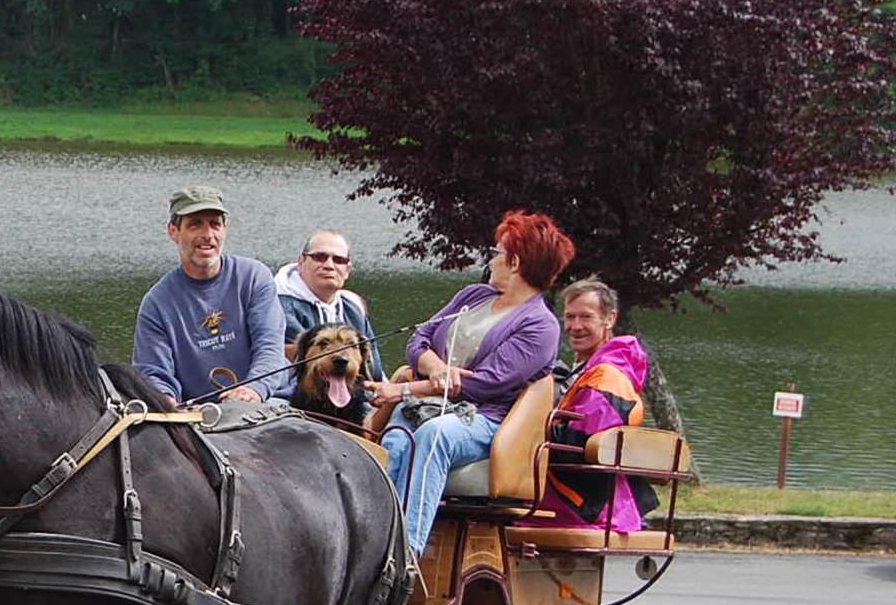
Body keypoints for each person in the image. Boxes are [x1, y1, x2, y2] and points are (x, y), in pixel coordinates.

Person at [364, 210, 572, 559]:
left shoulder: (541, 326)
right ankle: (369, 545)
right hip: (426, 406)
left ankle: (404, 556)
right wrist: (437, 367)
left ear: (516, 262)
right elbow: (419, 341)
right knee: (397, 442)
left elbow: (484, 386)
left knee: (434, 436)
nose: (490, 259)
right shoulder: (472, 296)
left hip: (484, 419)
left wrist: (403, 391)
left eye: (496, 252)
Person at [133, 186, 288, 404]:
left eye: (215, 224)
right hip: (198, 417)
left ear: (225, 229)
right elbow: (154, 372)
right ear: (173, 231)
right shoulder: (156, 303)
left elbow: (269, 347)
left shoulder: (254, 277)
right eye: (195, 224)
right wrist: (165, 401)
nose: (207, 235)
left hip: (268, 400)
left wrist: (253, 389)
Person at [542, 278, 658, 530]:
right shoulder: (587, 369)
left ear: (610, 319)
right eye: (569, 317)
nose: (575, 326)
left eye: (586, 317)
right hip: (581, 493)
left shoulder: (608, 376)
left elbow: (577, 444)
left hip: (587, 503)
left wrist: (528, 423)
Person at [275, 230, 386, 380]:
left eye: (339, 260)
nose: (329, 265)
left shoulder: (353, 309)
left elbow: (375, 372)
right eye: (320, 257)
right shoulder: (279, 307)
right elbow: (304, 366)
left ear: (347, 270)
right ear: (301, 262)